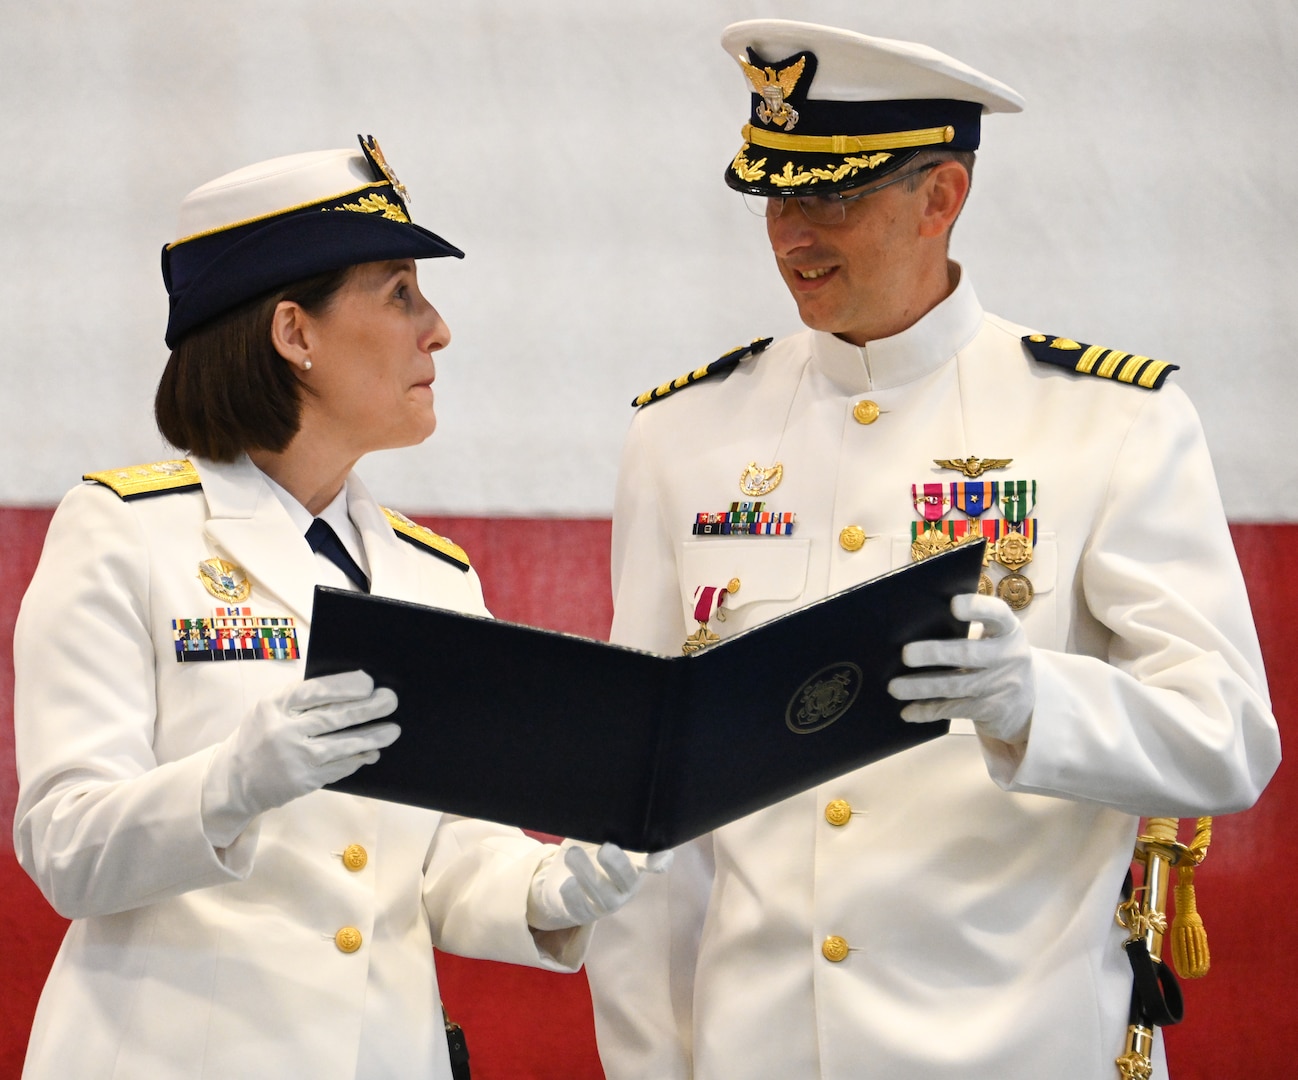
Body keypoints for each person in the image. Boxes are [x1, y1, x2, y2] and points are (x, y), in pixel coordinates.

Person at [583, 20, 1280, 1080]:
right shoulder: (684, 434)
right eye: (775, 197)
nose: (791, 237)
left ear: (941, 197)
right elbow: (647, 813)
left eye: (831, 199)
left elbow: (1227, 740)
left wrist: (1032, 701)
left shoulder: (1106, 422)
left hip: (1014, 1050)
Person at [12, 136, 668, 1080]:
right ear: (295, 333)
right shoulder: (126, 533)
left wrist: (550, 885)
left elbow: (439, 860)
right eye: (400, 291)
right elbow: (66, 845)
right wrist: (230, 782)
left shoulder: (432, 575)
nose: (435, 328)